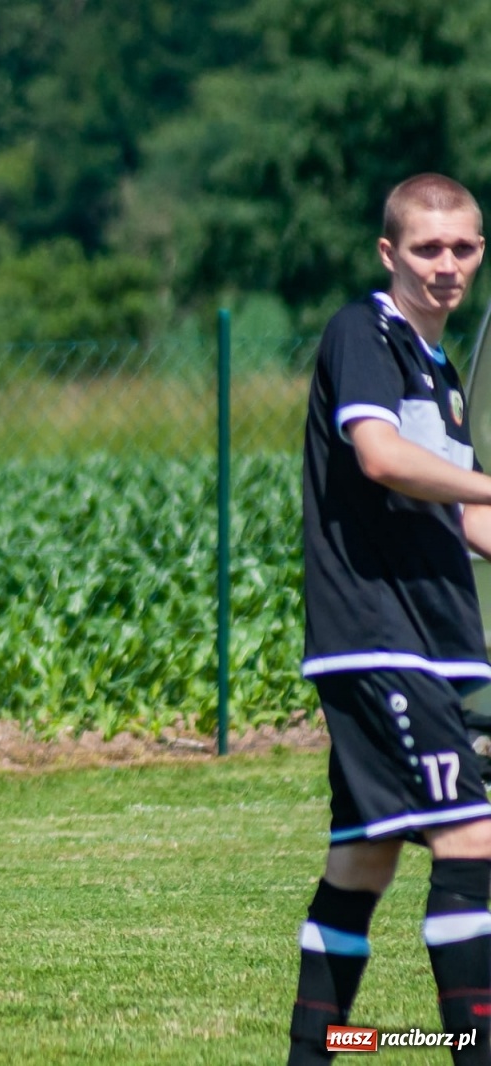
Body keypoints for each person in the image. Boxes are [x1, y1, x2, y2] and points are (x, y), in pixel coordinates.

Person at [291, 173, 491, 1066]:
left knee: (361, 864)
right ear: (390, 253)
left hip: (434, 642)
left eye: (464, 249)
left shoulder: (442, 370)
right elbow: (378, 456)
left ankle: (322, 1048)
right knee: (474, 838)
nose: (447, 267)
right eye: (428, 249)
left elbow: (466, 516)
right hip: (378, 637)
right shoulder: (363, 332)